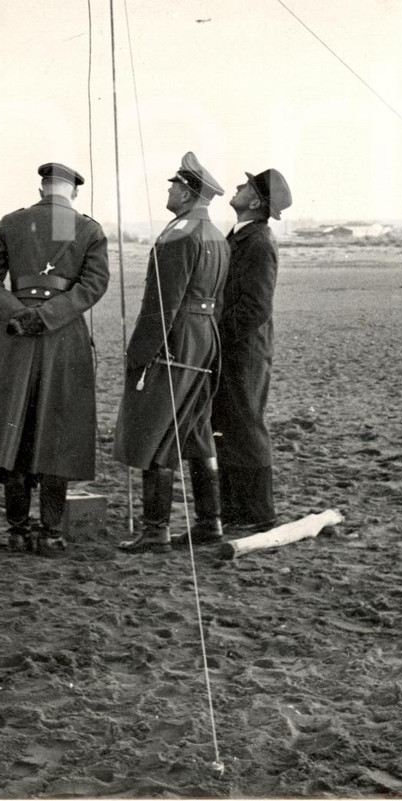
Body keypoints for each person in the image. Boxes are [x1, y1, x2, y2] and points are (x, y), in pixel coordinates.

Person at [0, 162, 109, 556]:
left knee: (16, 424)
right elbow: (94, 285)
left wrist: (17, 316)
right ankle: (51, 532)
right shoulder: (87, 229)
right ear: (73, 192)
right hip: (63, 336)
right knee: (57, 428)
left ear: (43, 187)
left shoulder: (13, 223)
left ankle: (16, 530)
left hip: (15, 338)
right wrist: (48, 317)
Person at [113, 152, 230, 552]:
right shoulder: (215, 234)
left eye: (174, 185)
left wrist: (139, 353)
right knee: (195, 430)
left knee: (156, 430)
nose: (170, 190)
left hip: (175, 342)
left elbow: (162, 303)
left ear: (187, 192)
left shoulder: (178, 233)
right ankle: (210, 524)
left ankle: (156, 530)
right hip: (204, 341)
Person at [212, 167, 293, 533]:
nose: (237, 187)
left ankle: (257, 514)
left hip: (243, 351)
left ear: (256, 201)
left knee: (245, 427)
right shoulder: (242, 236)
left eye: (244, 186)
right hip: (234, 348)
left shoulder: (258, 241)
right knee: (230, 427)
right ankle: (236, 513)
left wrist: (218, 336)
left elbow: (256, 307)